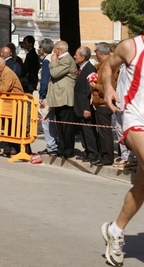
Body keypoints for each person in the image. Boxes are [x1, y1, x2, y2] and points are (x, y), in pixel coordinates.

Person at [101, 34, 144, 267]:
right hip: (136, 119)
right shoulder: (132, 46)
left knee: (141, 187)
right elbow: (108, 65)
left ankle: (115, 230)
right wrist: (108, 87)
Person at [47, 40, 77, 159]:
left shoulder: (67, 60)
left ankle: (68, 149)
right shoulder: (62, 59)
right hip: (59, 98)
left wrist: (53, 62)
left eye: (54, 50)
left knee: (67, 126)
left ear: (59, 50)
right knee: (60, 125)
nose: (53, 53)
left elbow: (55, 73)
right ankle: (62, 147)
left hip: (65, 97)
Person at [90, 42, 119, 166]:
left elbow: (109, 88)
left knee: (105, 132)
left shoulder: (108, 66)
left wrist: (94, 85)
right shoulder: (103, 66)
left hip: (104, 103)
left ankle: (107, 157)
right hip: (99, 103)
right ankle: (104, 155)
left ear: (99, 53)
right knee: (102, 131)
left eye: (96, 52)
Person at [73, 46, 100, 162]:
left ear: (83, 57)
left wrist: (87, 109)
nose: (74, 56)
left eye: (76, 55)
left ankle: (93, 153)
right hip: (79, 105)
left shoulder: (90, 69)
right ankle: (87, 151)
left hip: (85, 106)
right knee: (83, 131)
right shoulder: (81, 69)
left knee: (88, 131)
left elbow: (87, 91)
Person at [37, 38, 58, 156]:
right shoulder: (54, 58)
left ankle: (52, 146)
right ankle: (54, 144)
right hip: (55, 93)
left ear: (43, 49)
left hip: (48, 94)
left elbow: (44, 79)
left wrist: (42, 95)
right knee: (52, 120)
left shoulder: (46, 61)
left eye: (40, 47)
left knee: (46, 120)